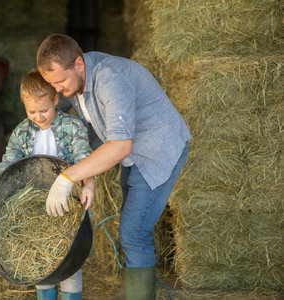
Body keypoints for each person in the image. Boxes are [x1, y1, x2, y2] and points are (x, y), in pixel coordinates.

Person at [36, 34, 192, 300]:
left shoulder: (111, 78)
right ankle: (136, 290)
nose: (58, 90)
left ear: (78, 64)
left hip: (155, 150)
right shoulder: (75, 83)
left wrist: (67, 178)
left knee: (134, 231)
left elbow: (120, 147)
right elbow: (45, 102)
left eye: (59, 82)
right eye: (53, 84)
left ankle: (139, 296)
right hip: (133, 152)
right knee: (133, 228)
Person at [0, 69, 95, 300]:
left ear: (56, 100)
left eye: (44, 110)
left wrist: (89, 184)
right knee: (39, 260)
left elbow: (84, 159)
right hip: (33, 202)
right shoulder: (21, 132)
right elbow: (8, 162)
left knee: (68, 261)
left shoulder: (72, 127)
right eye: (32, 112)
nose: (39, 117)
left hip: (67, 203)